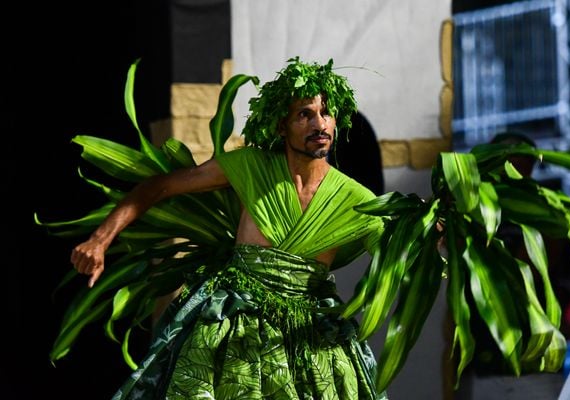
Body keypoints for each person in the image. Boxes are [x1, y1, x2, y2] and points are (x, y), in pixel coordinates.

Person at [70, 57, 387, 399]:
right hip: (234, 321)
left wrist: (439, 237)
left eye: (326, 113)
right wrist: (100, 240)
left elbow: (400, 251)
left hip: (308, 337)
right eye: (304, 114)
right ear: (281, 126)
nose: (319, 124)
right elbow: (159, 186)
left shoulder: (357, 198)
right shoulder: (251, 166)